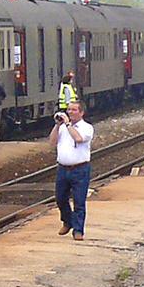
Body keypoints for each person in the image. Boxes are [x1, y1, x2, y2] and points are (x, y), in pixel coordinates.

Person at [52, 101, 94, 241]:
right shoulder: (63, 128)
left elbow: (78, 138)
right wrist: (58, 126)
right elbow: (52, 142)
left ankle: (78, 230)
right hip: (63, 169)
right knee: (60, 198)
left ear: (81, 113)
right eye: (69, 110)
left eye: (74, 110)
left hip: (80, 169)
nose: (70, 112)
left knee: (79, 200)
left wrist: (68, 125)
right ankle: (67, 220)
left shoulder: (87, 128)